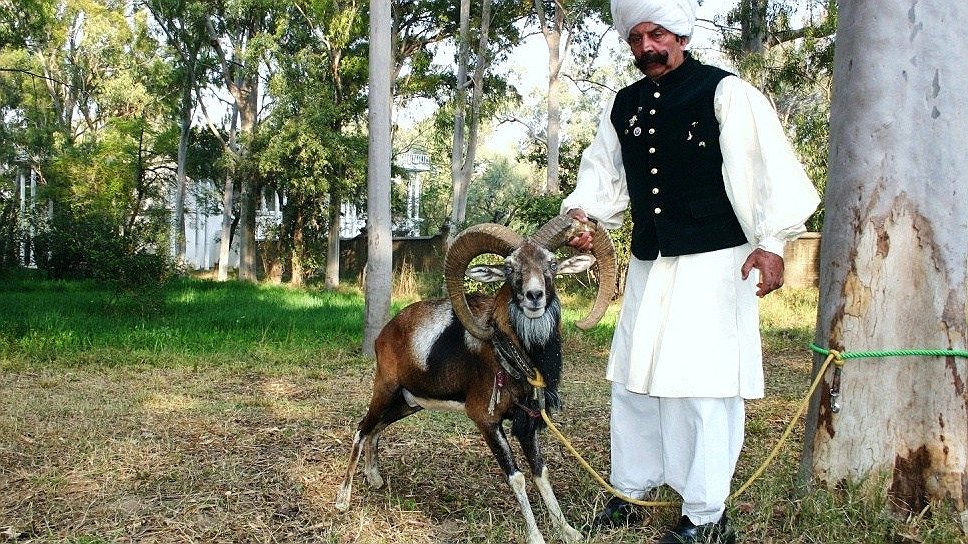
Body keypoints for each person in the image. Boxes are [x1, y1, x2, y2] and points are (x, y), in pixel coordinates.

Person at [562, 0, 821, 543]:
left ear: (679, 35)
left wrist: (772, 243)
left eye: (656, 35)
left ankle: (706, 517)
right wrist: (582, 215)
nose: (646, 49)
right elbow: (602, 178)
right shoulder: (623, 105)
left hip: (716, 263)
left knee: (703, 387)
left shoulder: (725, 93)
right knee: (634, 381)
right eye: (636, 40)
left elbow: (764, 169)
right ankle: (631, 491)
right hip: (649, 263)